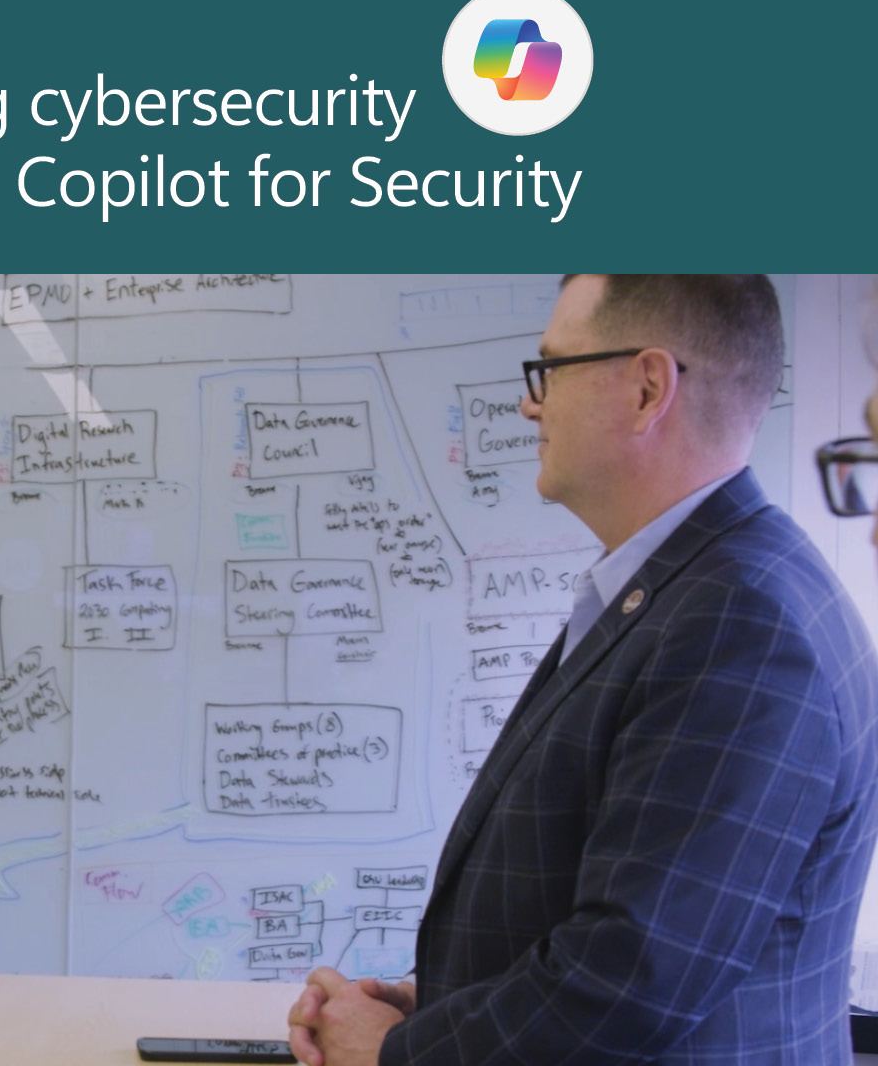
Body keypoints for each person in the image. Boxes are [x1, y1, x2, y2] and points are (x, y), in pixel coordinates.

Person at [288, 275, 878, 1065]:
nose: (532, 404)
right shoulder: (689, 586)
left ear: (646, 388)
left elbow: (634, 980)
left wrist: (401, 1055)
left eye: (551, 370)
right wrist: (440, 1009)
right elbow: (626, 909)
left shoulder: (738, 620)